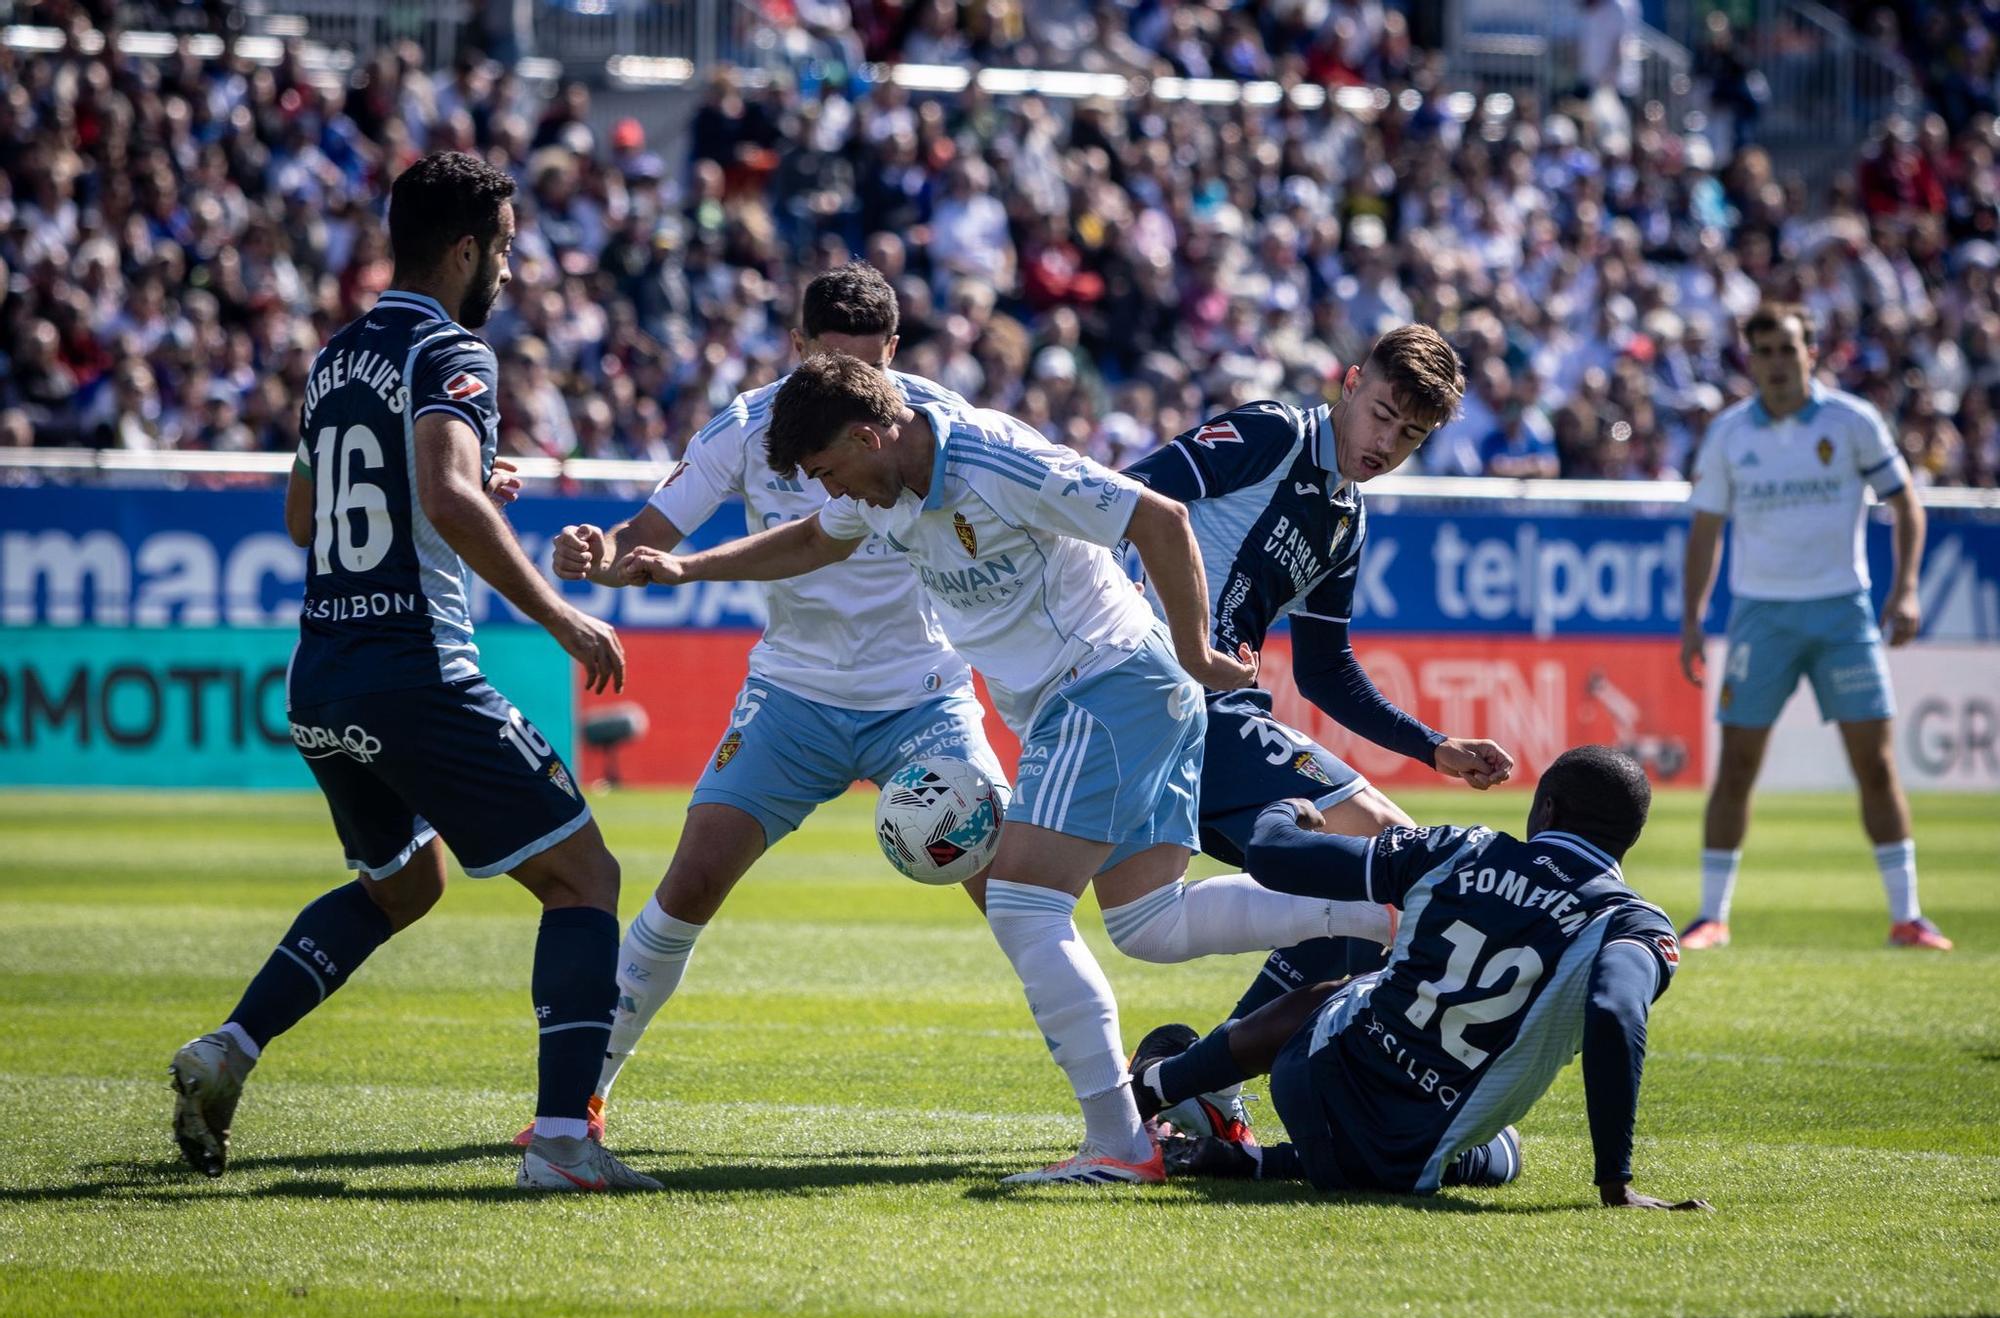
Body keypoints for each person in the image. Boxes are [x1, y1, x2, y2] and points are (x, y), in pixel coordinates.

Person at [614, 353, 1400, 1184]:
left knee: (1026, 908)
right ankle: (1379, 919)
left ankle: (1119, 1146)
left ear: (868, 434)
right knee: (1150, 923)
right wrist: (687, 566)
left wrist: (1198, 652)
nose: (833, 492)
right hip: (1103, 695)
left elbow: (1161, 517)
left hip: (1107, 682)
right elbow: (813, 539)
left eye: (830, 472)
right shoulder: (876, 490)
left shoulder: (994, 460)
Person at [166, 151, 661, 1193]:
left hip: (323, 673)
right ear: (468, 248)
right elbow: (444, 496)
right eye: (508, 251)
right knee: (585, 878)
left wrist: (467, 478)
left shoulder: (337, 355)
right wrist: (562, 615)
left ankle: (231, 1047)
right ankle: (565, 1143)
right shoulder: (452, 351)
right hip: (416, 670)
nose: (512, 272)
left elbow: (305, 516)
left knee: (402, 881)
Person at [525, 263, 1008, 1143]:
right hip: (792, 696)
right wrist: (594, 555)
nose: (845, 393)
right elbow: (644, 541)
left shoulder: (945, 423)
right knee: (690, 886)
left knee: (1015, 895)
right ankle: (580, 1097)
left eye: (866, 370)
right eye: (826, 364)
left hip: (925, 698)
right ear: (795, 349)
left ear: (894, 355)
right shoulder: (747, 427)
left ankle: (1116, 1109)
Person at [1120, 324, 1516, 1044]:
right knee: (1399, 859)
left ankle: (1202, 1081)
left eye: (1411, 435)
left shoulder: (1346, 519)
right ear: (1351, 381)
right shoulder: (1275, 434)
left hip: (1213, 711)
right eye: (1383, 416)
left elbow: (1324, 669)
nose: (1386, 443)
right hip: (1175, 696)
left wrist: (1437, 748)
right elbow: (1126, 498)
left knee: (1361, 891)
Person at [1132, 746, 1709, 1210]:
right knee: (1502, 1151)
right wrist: (1616, 1180)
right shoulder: (1633, 923)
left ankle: (1157, 1088)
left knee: (1352, 987)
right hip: (1419, 1149)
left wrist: (1285, 811)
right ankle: (1254, 1160)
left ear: (1547, 810)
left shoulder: (1464, 848)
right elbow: (1614, 1010)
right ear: (1628, 839)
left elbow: (1274, 855)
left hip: (1314, 1079)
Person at [1678, 303, 1948, 951]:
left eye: (1786, 348)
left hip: (1842, 614)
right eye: (1763, 350)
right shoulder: (1728, 434)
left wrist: (1905, 589)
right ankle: (1713, 916)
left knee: (1876, 765)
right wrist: (1691, 619)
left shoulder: (1850, 421)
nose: (1775, 361)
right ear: (1751, 358)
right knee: (1737, 766)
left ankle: (1907, 916)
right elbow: (1706, 531)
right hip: (1759, 618)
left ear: (1811, 351)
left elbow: (1907, 503)